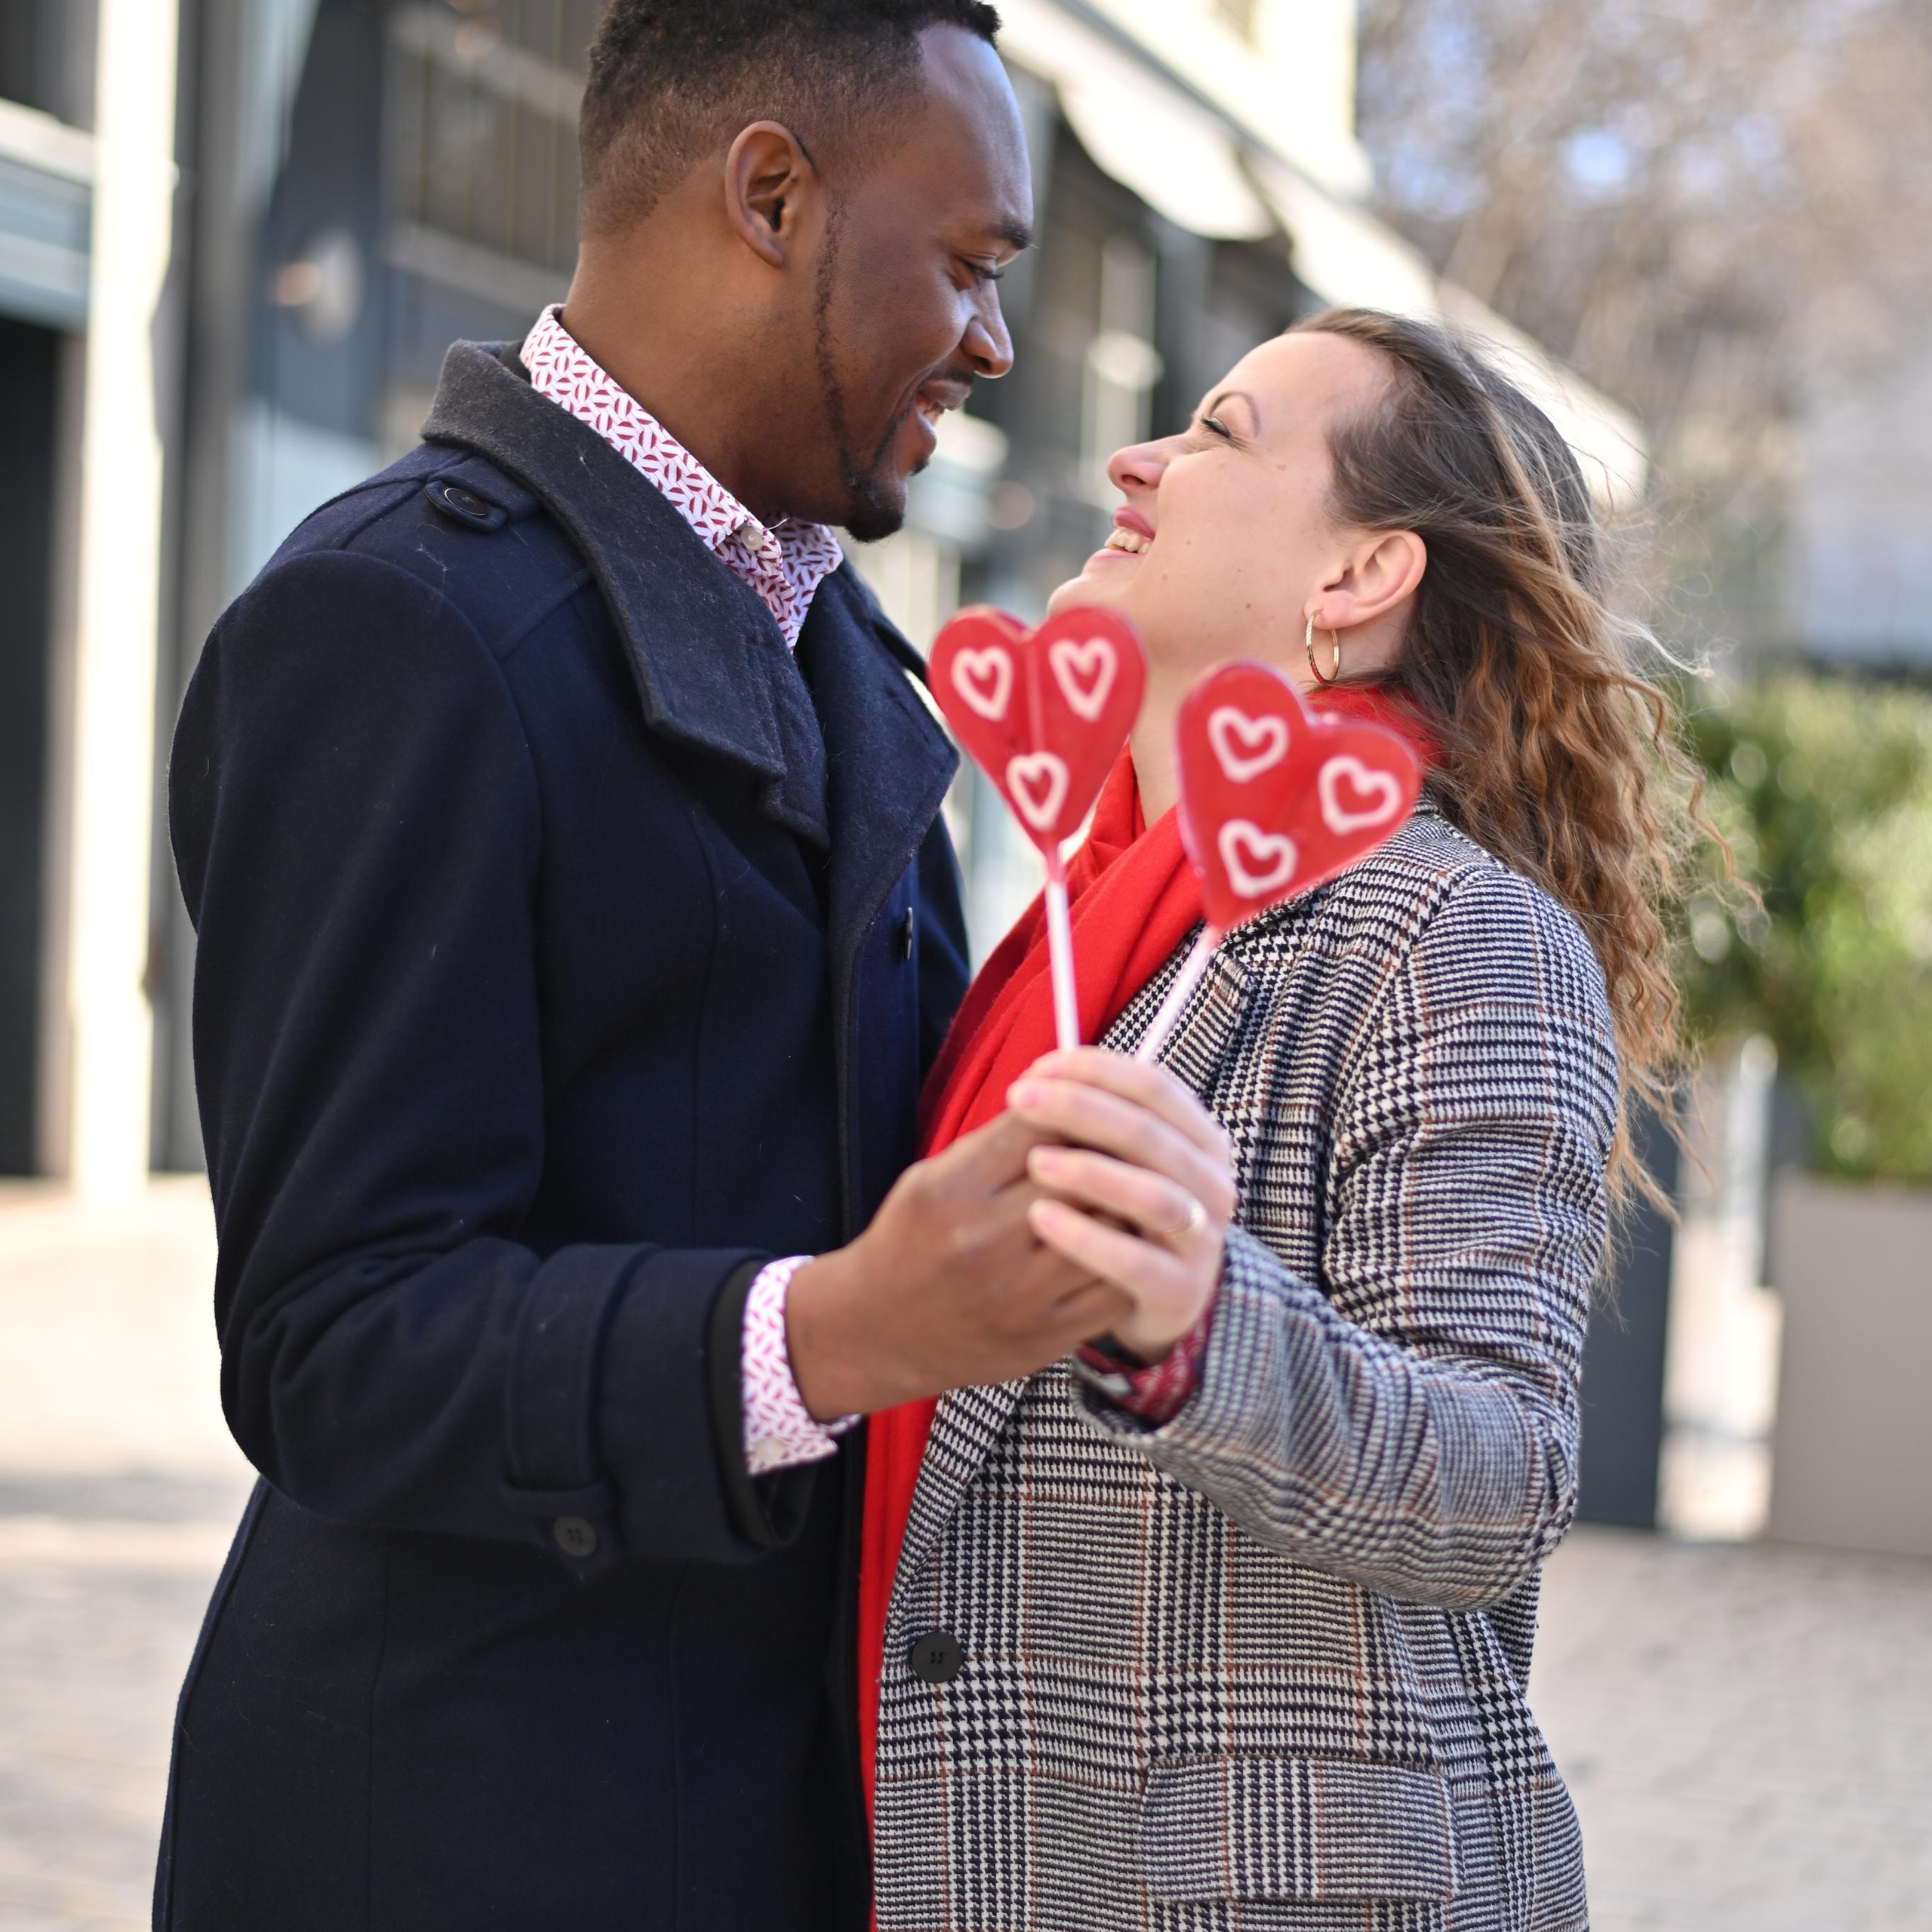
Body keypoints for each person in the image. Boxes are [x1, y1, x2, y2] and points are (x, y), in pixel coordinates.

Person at [155, 5, 1142, 1927]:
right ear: (768, 194)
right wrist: (842, 1323)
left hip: (756, 1816)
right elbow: (334, 1336)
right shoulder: (395, 620)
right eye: (967, 263)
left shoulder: (854, 663)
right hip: (455, 1828)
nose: (997, 343)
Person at [861, 309, 1709, 1930]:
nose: (1133, 456)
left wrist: (1196, 1324)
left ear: (1356, 578)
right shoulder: (1089, 931)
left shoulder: (1449, 932)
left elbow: (1499, 1473)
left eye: (1219, 432)